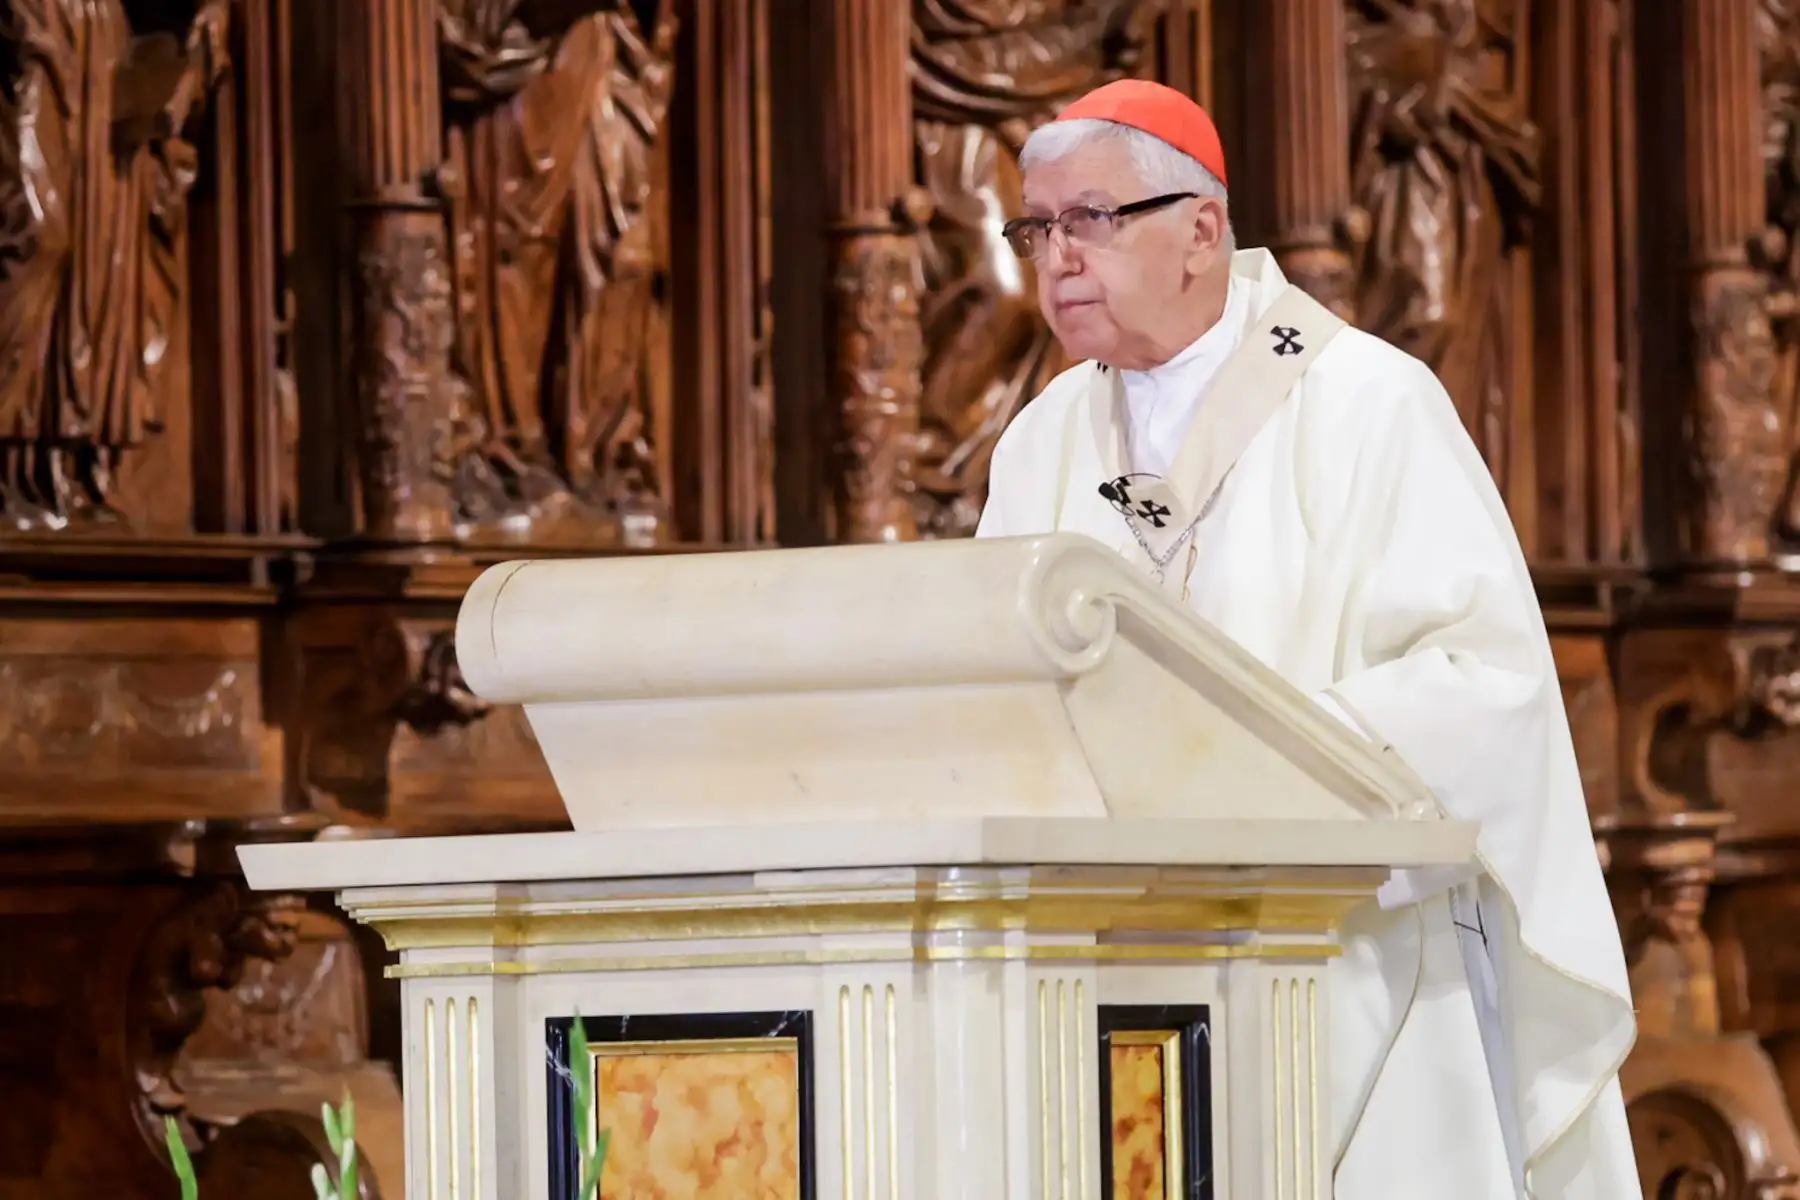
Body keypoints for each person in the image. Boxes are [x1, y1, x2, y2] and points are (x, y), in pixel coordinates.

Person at [977, 79, 1640, 1200]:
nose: (1056, 258)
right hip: (1104, 966)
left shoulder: (1370, 404)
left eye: (1089, 219)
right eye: (1036, 228)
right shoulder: (1042, 441)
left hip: (1350, 965)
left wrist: (1253, 765)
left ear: (1200, 228)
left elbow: (1488, 684)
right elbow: (992, 684)